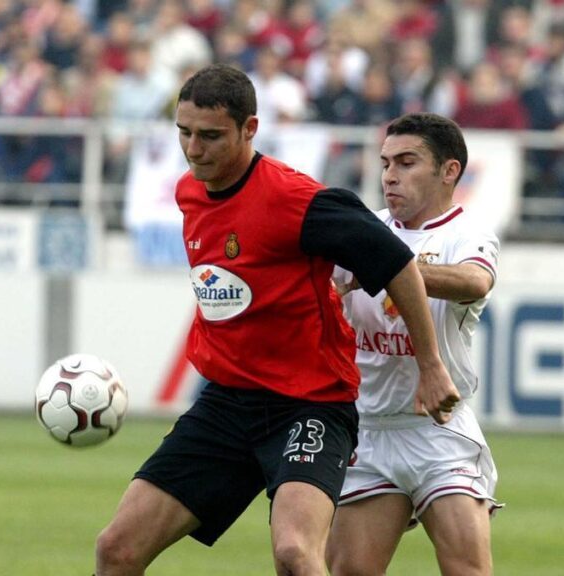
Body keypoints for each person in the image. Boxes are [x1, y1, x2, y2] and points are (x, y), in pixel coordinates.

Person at [94, 64, 459, 576]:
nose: (194, 149)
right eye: (184, 132)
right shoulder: (189, 192)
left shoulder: (298, 201)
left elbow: (398, 263)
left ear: (250, 129)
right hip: (225, 404)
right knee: (116, 549)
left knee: (294, 553)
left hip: (309, 404)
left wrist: (431, 364)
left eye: (210, 136)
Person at [326, 113, 503, 576]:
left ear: (449, 171)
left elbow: (474, 282)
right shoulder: (363, 230)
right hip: (367, 430)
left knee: (467, 570)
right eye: (386, 163)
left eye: (406, 163)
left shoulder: (468, 233)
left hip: (438, 429)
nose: (390, 176)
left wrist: (388, 268)